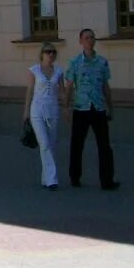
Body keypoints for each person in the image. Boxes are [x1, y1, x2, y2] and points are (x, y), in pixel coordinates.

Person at [64, 28, 118, 190]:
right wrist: (66, 107)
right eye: (87, 38)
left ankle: (107, 180)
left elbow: (105, 86)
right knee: (77, 144)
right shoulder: (74, 63)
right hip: (81, 108)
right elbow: (69, 87)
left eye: (92, 38)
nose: (90, 40)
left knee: (104, 145)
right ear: (80, 41)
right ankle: (75, 176)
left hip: (98, 108)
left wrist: (110, 106)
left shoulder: (102, 62)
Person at [22, 44, 64, 189]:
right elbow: (29, 91)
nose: (51, 54)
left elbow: (62, 92)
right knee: (44, 144)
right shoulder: (34, 70)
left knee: (51, 144)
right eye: (48, 52)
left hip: (53, 109)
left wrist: (67, 106)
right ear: (42, 54)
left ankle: (46, 177)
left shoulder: (59, 71)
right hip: (37, 110)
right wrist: (26, 111)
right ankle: (52, 179)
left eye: (53, 52)